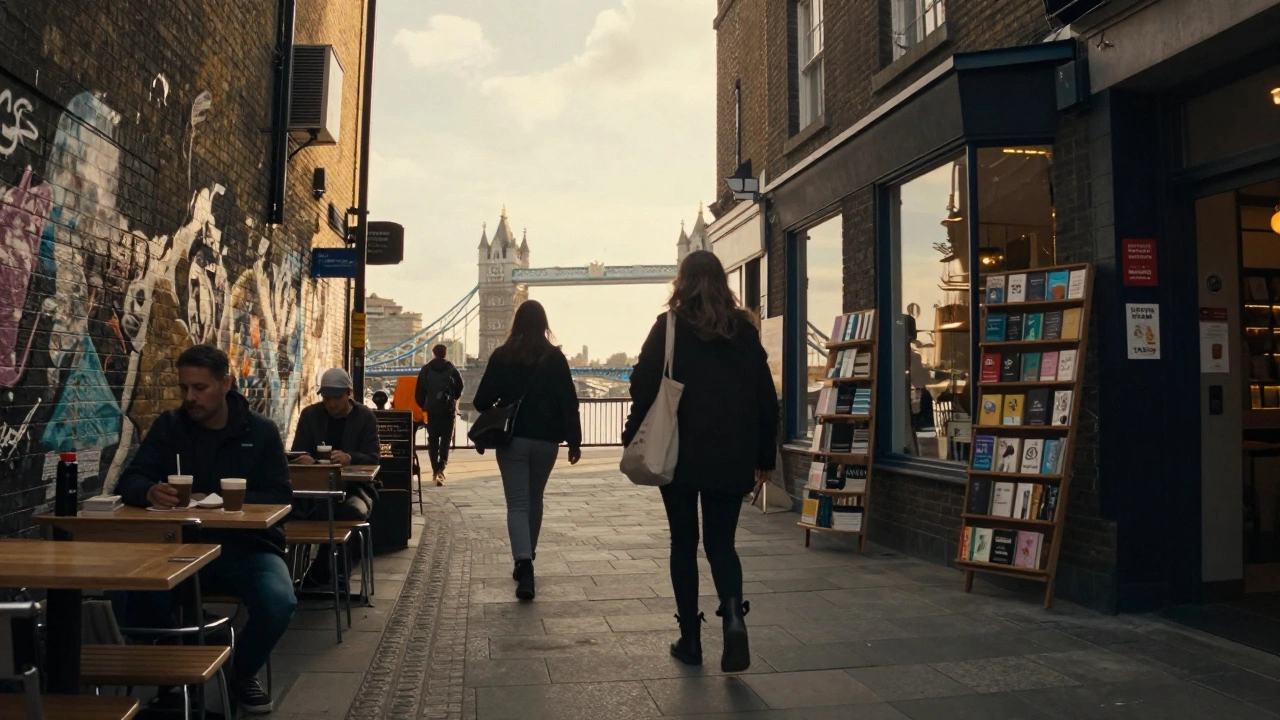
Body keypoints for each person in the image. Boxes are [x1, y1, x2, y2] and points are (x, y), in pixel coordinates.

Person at [115, 344, 295, 714]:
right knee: (130, 589)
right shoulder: (170, 426)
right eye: (184, 389)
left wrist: (223, 500)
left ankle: (240, 673)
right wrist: (149, 490)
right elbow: (128, 480)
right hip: (179, 546)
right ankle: (175, 677)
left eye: (200, 388)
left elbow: (280, 495)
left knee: (279, 601)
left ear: (226, 384)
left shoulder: (259, 432)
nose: (190, 398)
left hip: (246, 546)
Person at [623, 250, 778, 673]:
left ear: (682, 281)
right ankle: (732, 621)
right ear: (722, 282)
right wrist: (765, 456)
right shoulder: (744, 332)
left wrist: (630, 433)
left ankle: (690, 639)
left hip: (679, 454)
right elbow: (766, 398)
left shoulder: (669, 327)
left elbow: (641, 384)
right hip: (732, 456)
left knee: (683, 544)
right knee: (722, 545)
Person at [473, 300, 582, 600]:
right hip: (547, 442)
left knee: (517, 504)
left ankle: (524, 564)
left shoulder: (502, 355)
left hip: (513, 441)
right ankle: (528, 556)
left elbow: (481, 400)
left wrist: (503, 403)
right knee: (535, 500)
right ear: (544, 324)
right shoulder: (555, 357)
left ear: (516, 323)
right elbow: (569, 402)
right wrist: (575, 441)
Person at [290, 368, 381, 585]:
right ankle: (329, 574)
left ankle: (324, 573)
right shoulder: (311, 415)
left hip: (356, 489)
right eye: (326, 398)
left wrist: (350, 457)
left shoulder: (365, 417)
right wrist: (303, 459)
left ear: (349, 393)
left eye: (336, 398)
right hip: (316, 490)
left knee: (347, 512)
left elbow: (374, 457)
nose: (331, 404)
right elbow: (297, 452)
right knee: (296, 510)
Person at [415, 344, 464, 485]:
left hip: (433, 410)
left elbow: (419, 392)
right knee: (445, 440)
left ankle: (435, 469)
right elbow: (460, 387)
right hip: (448, 410)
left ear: (434, 353)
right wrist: (453, 398)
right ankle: (441, 469)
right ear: (445, 353)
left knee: (433, 440)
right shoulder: (451, 368)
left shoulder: (426, 369)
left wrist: (424, 405)